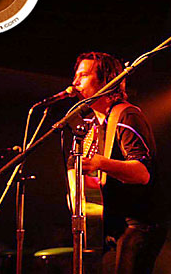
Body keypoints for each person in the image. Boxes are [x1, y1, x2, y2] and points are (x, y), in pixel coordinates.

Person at [70, 51, 164, 274]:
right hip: (111, 224)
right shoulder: (92, 124)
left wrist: (101, 162)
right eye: (76, 75)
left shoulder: (126, 116)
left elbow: (142, 173)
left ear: (106, 80)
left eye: (83, 75)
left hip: (139, 224)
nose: (75, 82)